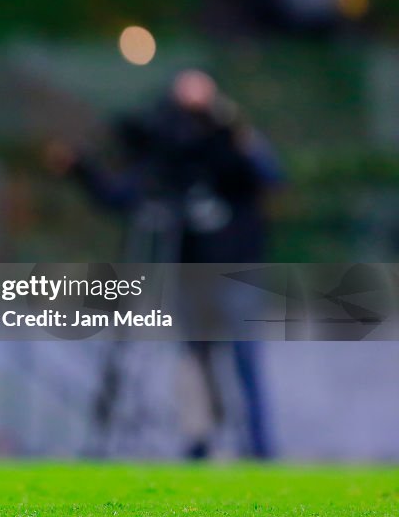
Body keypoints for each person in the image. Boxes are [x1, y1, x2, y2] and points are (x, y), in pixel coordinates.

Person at [46, 69, 281, 458]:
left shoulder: (234, 145)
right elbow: (121, 195)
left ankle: (259, 448)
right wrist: (80, 168)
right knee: (194, 362)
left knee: (244, 361)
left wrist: (234, 130)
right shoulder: (167, 155)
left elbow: (271, 176)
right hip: (191, 275)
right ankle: (199, 444)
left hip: (238, 271)